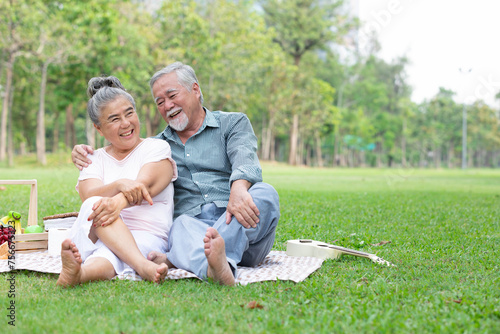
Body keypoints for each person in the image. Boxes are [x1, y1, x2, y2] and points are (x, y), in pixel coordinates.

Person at [72, 62, 280, 286]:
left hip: (241, 221)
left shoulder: (232, 123)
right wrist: (82, 151)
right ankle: (217, 267)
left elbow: (245, 159)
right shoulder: (157, 146)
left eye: (172, 95)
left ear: (196, 89)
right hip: (193, 232)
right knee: (180, 226)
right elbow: (124, 154)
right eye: (159, 102)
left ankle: (199, 254)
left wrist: (239, 189)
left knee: (265, 193)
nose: (167, 105)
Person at [58, 76, 177, 287]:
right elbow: (88, 194)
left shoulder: (156, 148)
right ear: (98, 129)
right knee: (93, 204)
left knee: (111, 252)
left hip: (147, 233)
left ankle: (80, 274)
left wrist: (115, 201)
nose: (126, 123)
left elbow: (144, 185)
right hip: (97, 231)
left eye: (129, 113)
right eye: (114, 119)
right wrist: (118, 184)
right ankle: (142, 266)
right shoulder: (93, 157)